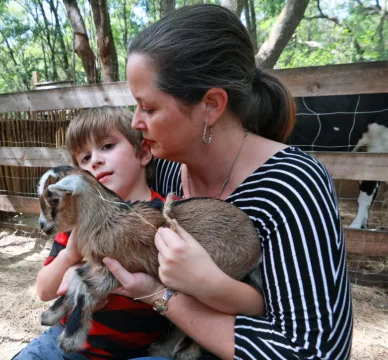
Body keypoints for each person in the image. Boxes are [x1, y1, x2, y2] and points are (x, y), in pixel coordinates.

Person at [98, 4, 353, 360]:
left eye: (149, 108)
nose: (135, 121)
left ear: (212, 105)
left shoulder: (291, 186)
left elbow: (311, 351)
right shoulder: (166, 170)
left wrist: (163, 296)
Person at [13, 106, 171, 360]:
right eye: (84, 159)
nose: (94, 161)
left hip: (137, 351)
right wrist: (70, 255)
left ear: (142, 153)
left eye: (107, 146)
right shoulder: (75, 224)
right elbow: (43, 291)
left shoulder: (163, 216)